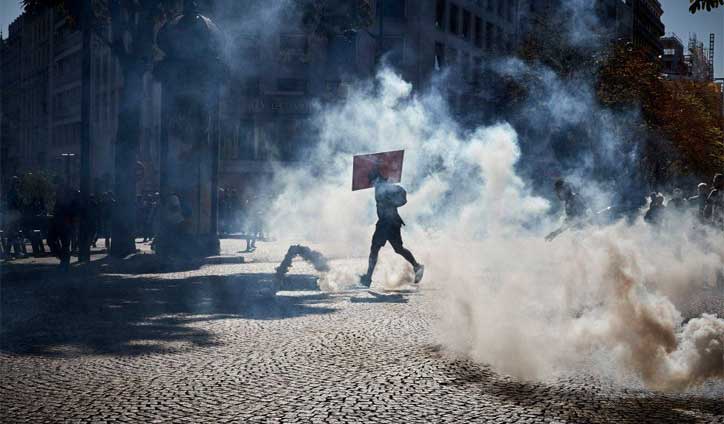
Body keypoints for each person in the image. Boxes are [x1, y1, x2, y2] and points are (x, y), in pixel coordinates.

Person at [360, 170, 424, 287]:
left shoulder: (389, 188)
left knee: (377, 248)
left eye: (374, 180)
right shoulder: (382, 188)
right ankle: (416, 266)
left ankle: (368, 278)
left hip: (389, 222)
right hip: (387, 222)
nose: (373, 183)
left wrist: (393, 201)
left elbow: (403, 198)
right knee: (396, 248)